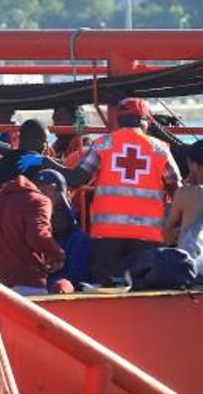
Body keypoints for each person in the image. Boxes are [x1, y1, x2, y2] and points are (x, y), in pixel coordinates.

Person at [67, 98, 180, 286]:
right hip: (147, 238)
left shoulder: (102, 144)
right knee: (145, 290)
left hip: (107, 237)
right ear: (144, 120)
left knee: (106, 289)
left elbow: (78, 178)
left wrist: (45, 163)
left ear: (118, 120)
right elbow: (176, 186)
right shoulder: (160, 149)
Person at [0, 173, 65, 296]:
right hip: (27, 283)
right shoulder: (40, 201)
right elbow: (37, 236)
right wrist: (58, 256)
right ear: (52, 188)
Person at [0, 119, 65, 211]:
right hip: (24, 220)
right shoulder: (41, 167)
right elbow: (74, 178)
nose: (46, 147)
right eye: (45, 142)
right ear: (39, 142)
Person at [33, 169, 91, 293]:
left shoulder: (77, 237)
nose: (41, 195)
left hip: (62, 289)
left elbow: (76, 277)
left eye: (46, 190)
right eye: (38, 191)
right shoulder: (32, 221)